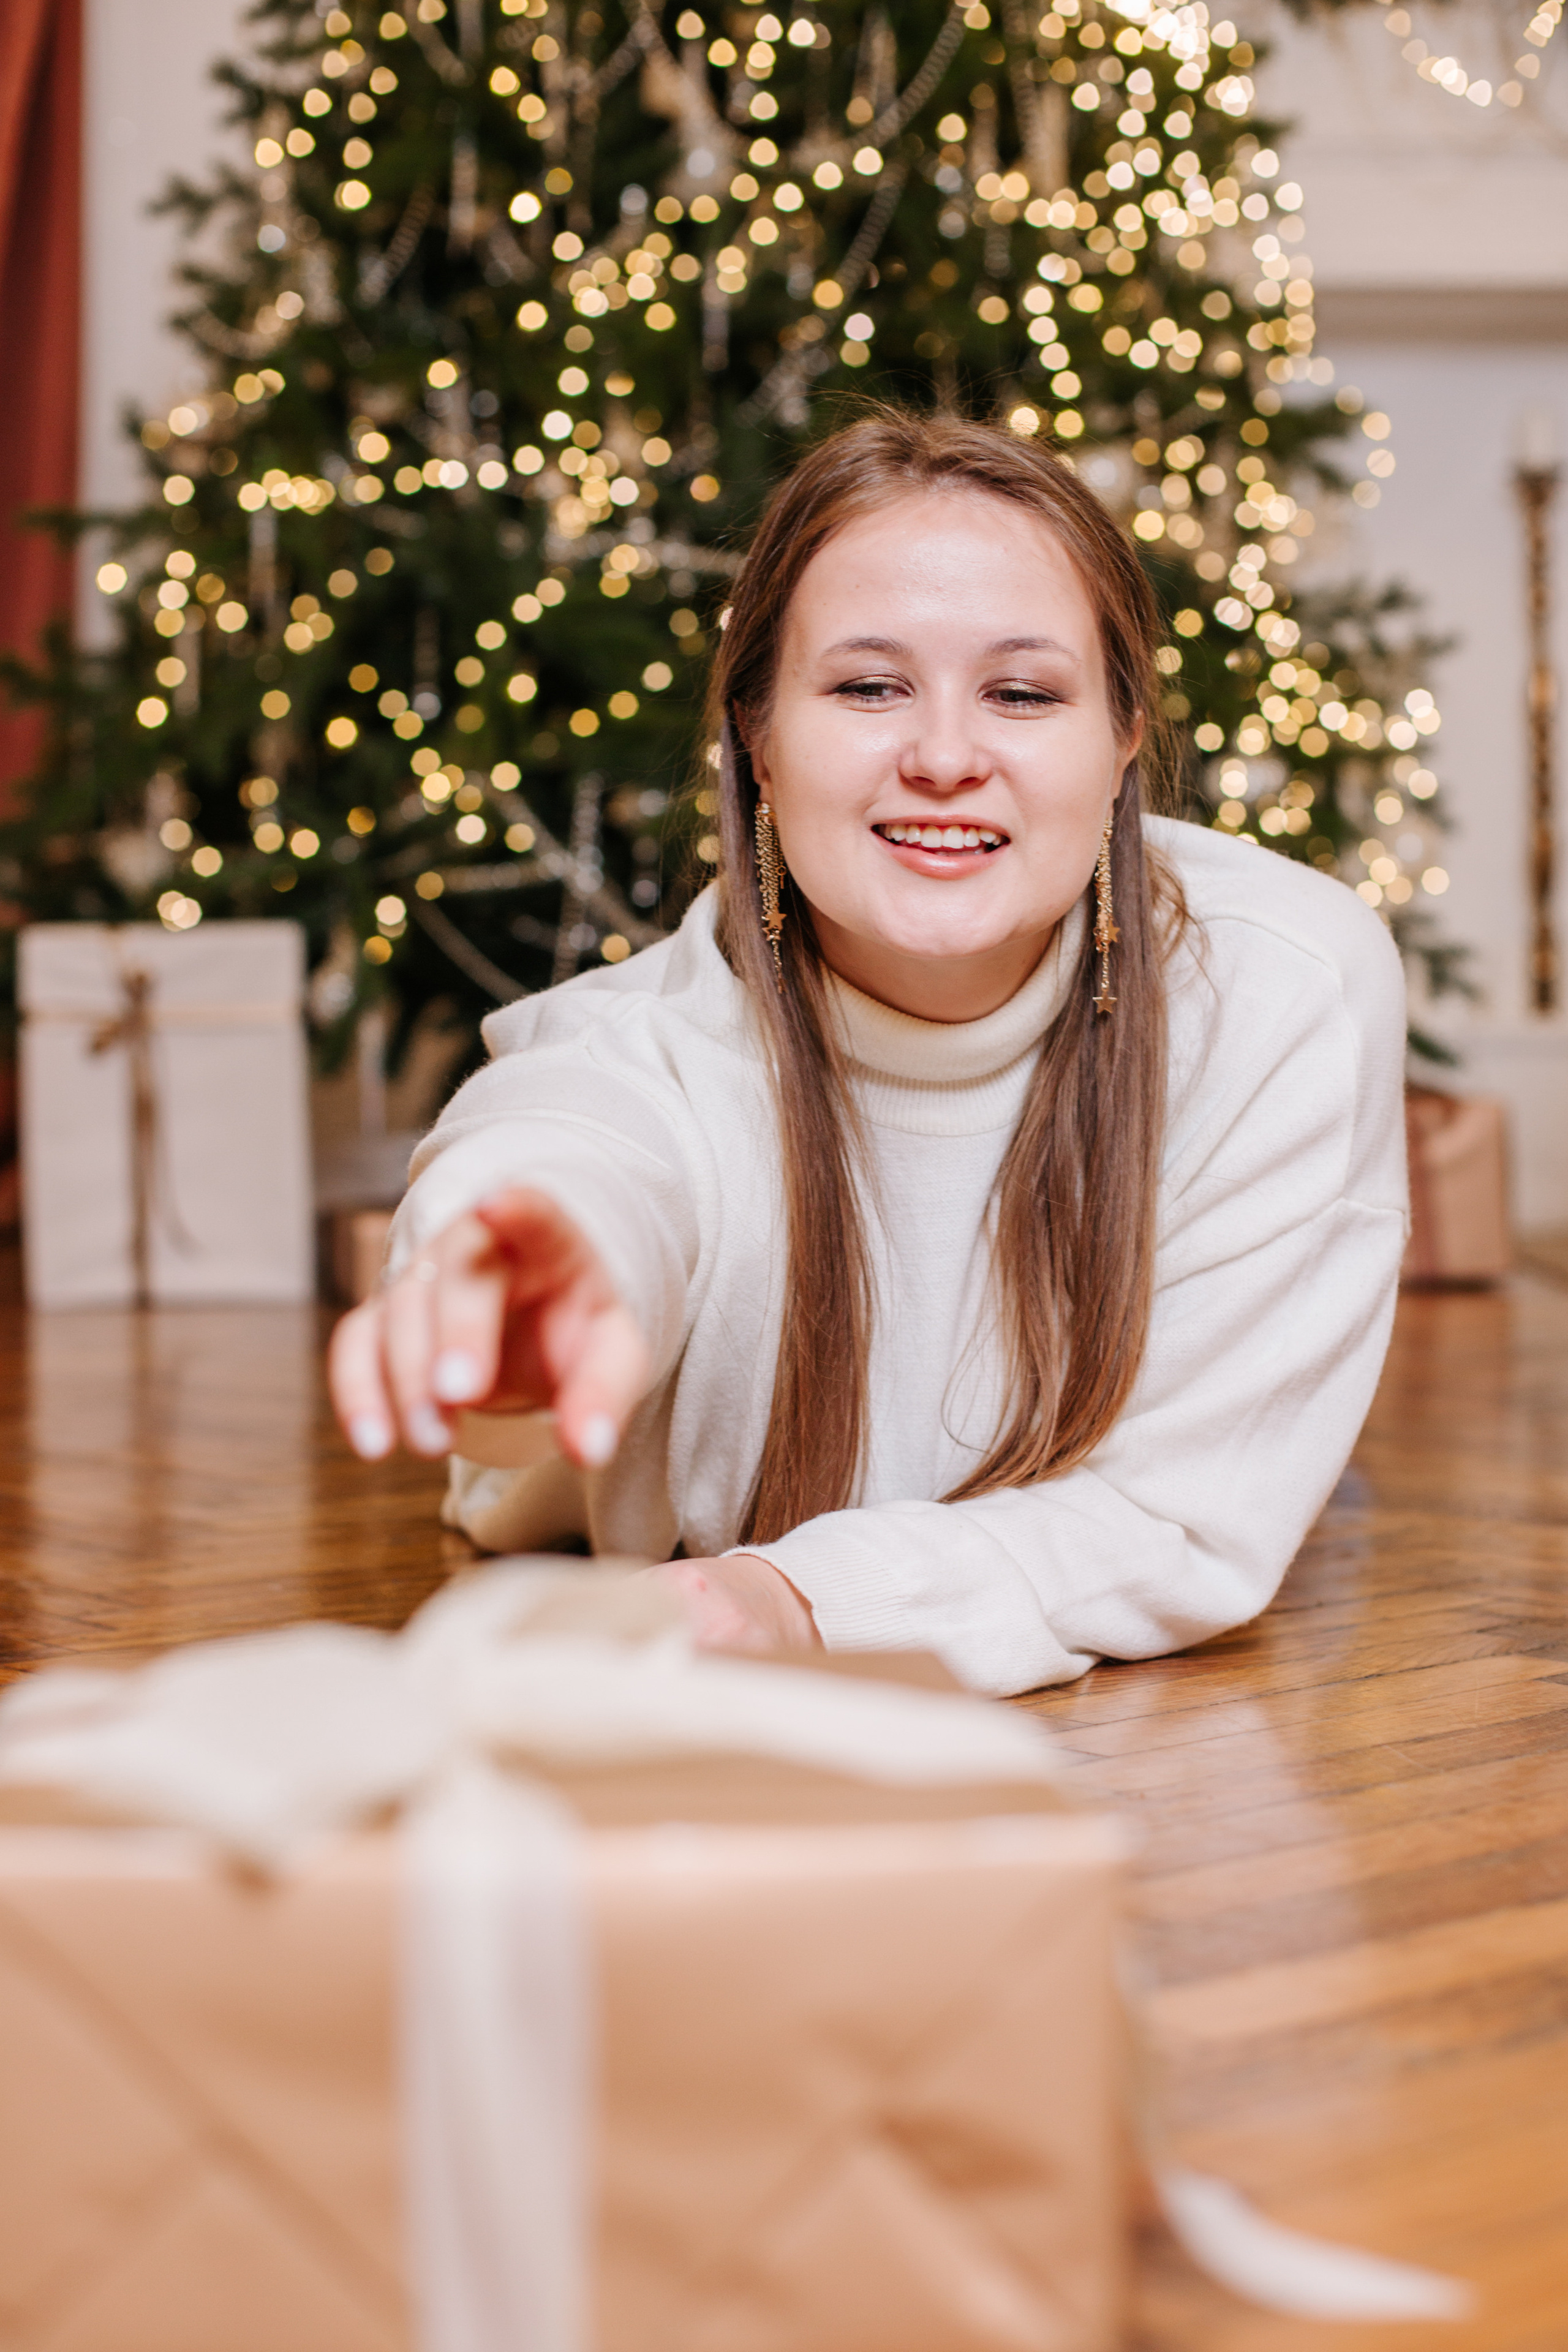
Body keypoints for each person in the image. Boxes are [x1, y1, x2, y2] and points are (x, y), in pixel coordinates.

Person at [329, 409, 1408, 1697]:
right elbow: (569, 1145)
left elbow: (1178, 1515)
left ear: (1124, 737)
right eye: (865, 687)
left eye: (1021, 693)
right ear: (756, 735)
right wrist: (525, 1280)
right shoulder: (637, 1049)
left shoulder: (1281, 991)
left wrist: (794, 1602)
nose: (944, 758)